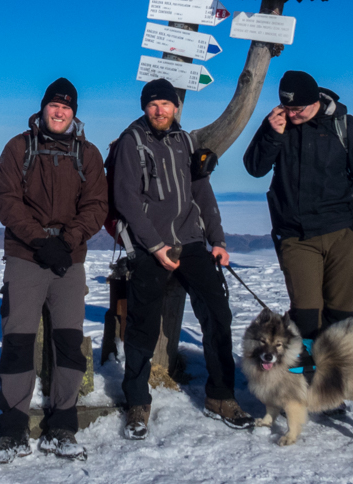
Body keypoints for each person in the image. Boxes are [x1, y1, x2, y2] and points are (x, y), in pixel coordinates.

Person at [111, 78, 252, 440]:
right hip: (149, 246)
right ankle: (138, 401)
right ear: (145, 107)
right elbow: (126, 200)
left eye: (166, 104)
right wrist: (155, 247)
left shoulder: (185, 141)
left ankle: (221, 396)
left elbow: (201, 191)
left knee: (218, 314)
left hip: (190, 242)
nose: (160, 110)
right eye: (153, 104)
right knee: (142, 325)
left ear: (176, 108)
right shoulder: (132, 141)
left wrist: (217, 240)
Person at [0, 78, 107, 464]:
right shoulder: (18, 148)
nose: (59, 112)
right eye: (54, 106)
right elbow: (7, 201)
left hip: (69, 258)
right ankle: (13, 430)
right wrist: (40, 241)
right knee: (19, 338)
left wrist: (66, 241)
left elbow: (96, 205)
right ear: (43, 108)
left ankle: (62, 427)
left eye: (66, 107)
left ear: (74, 113)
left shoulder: (87, 154)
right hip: (26, 254)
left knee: (69, 340)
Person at [242, 70, 353, 377]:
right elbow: (254, 167)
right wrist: (272, 133)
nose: (292, 115)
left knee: (340, 316)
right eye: (287, 108)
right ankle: (304, 381)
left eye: (299, 109)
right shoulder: (278, 123)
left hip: (343, 234)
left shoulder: (343, 126)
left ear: (315, 101)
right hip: (296, 236)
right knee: (306, 315)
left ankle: (334, 382)